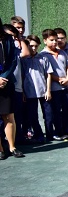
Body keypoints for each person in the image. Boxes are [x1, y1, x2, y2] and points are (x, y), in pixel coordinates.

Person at [41, 29, 68, 141]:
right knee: (56, 112)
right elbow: (47, 73)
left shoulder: (63, 53)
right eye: (52, 40)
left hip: (66, 87)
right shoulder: (43, 55)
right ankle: (57, 132)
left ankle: (66, 130)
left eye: (56, 40)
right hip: (54, 89)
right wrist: (58, 79)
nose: (55, 42)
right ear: (45, 41)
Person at [0, 20, 24, 159]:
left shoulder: (7, 39)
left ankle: (12, 147)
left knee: (9, 117)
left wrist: (3, 78)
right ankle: (1, 150)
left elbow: (13, 61)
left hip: (6, 82)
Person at [21, 34, 52, 144]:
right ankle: (39, 135)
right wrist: (23, 92)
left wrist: (48, 90)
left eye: (35, 46)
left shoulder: (44, 58)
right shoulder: (23, 60)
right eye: (30, 45)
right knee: (33, 116)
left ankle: (49, 134)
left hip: (44, 92)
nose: (33, 48)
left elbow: (48, 74)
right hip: (29, 93)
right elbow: (22, 76)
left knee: (48, 115)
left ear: (39, 45)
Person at [10, 16, 30, 143]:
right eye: (17, 28)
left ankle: (19, 137)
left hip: (19, 85)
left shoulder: (21, 41)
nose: (21, 30)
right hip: (7, 84)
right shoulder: (8, 42)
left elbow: (26, 53)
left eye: (22, 27)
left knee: (18, 113)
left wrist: (20, 39)